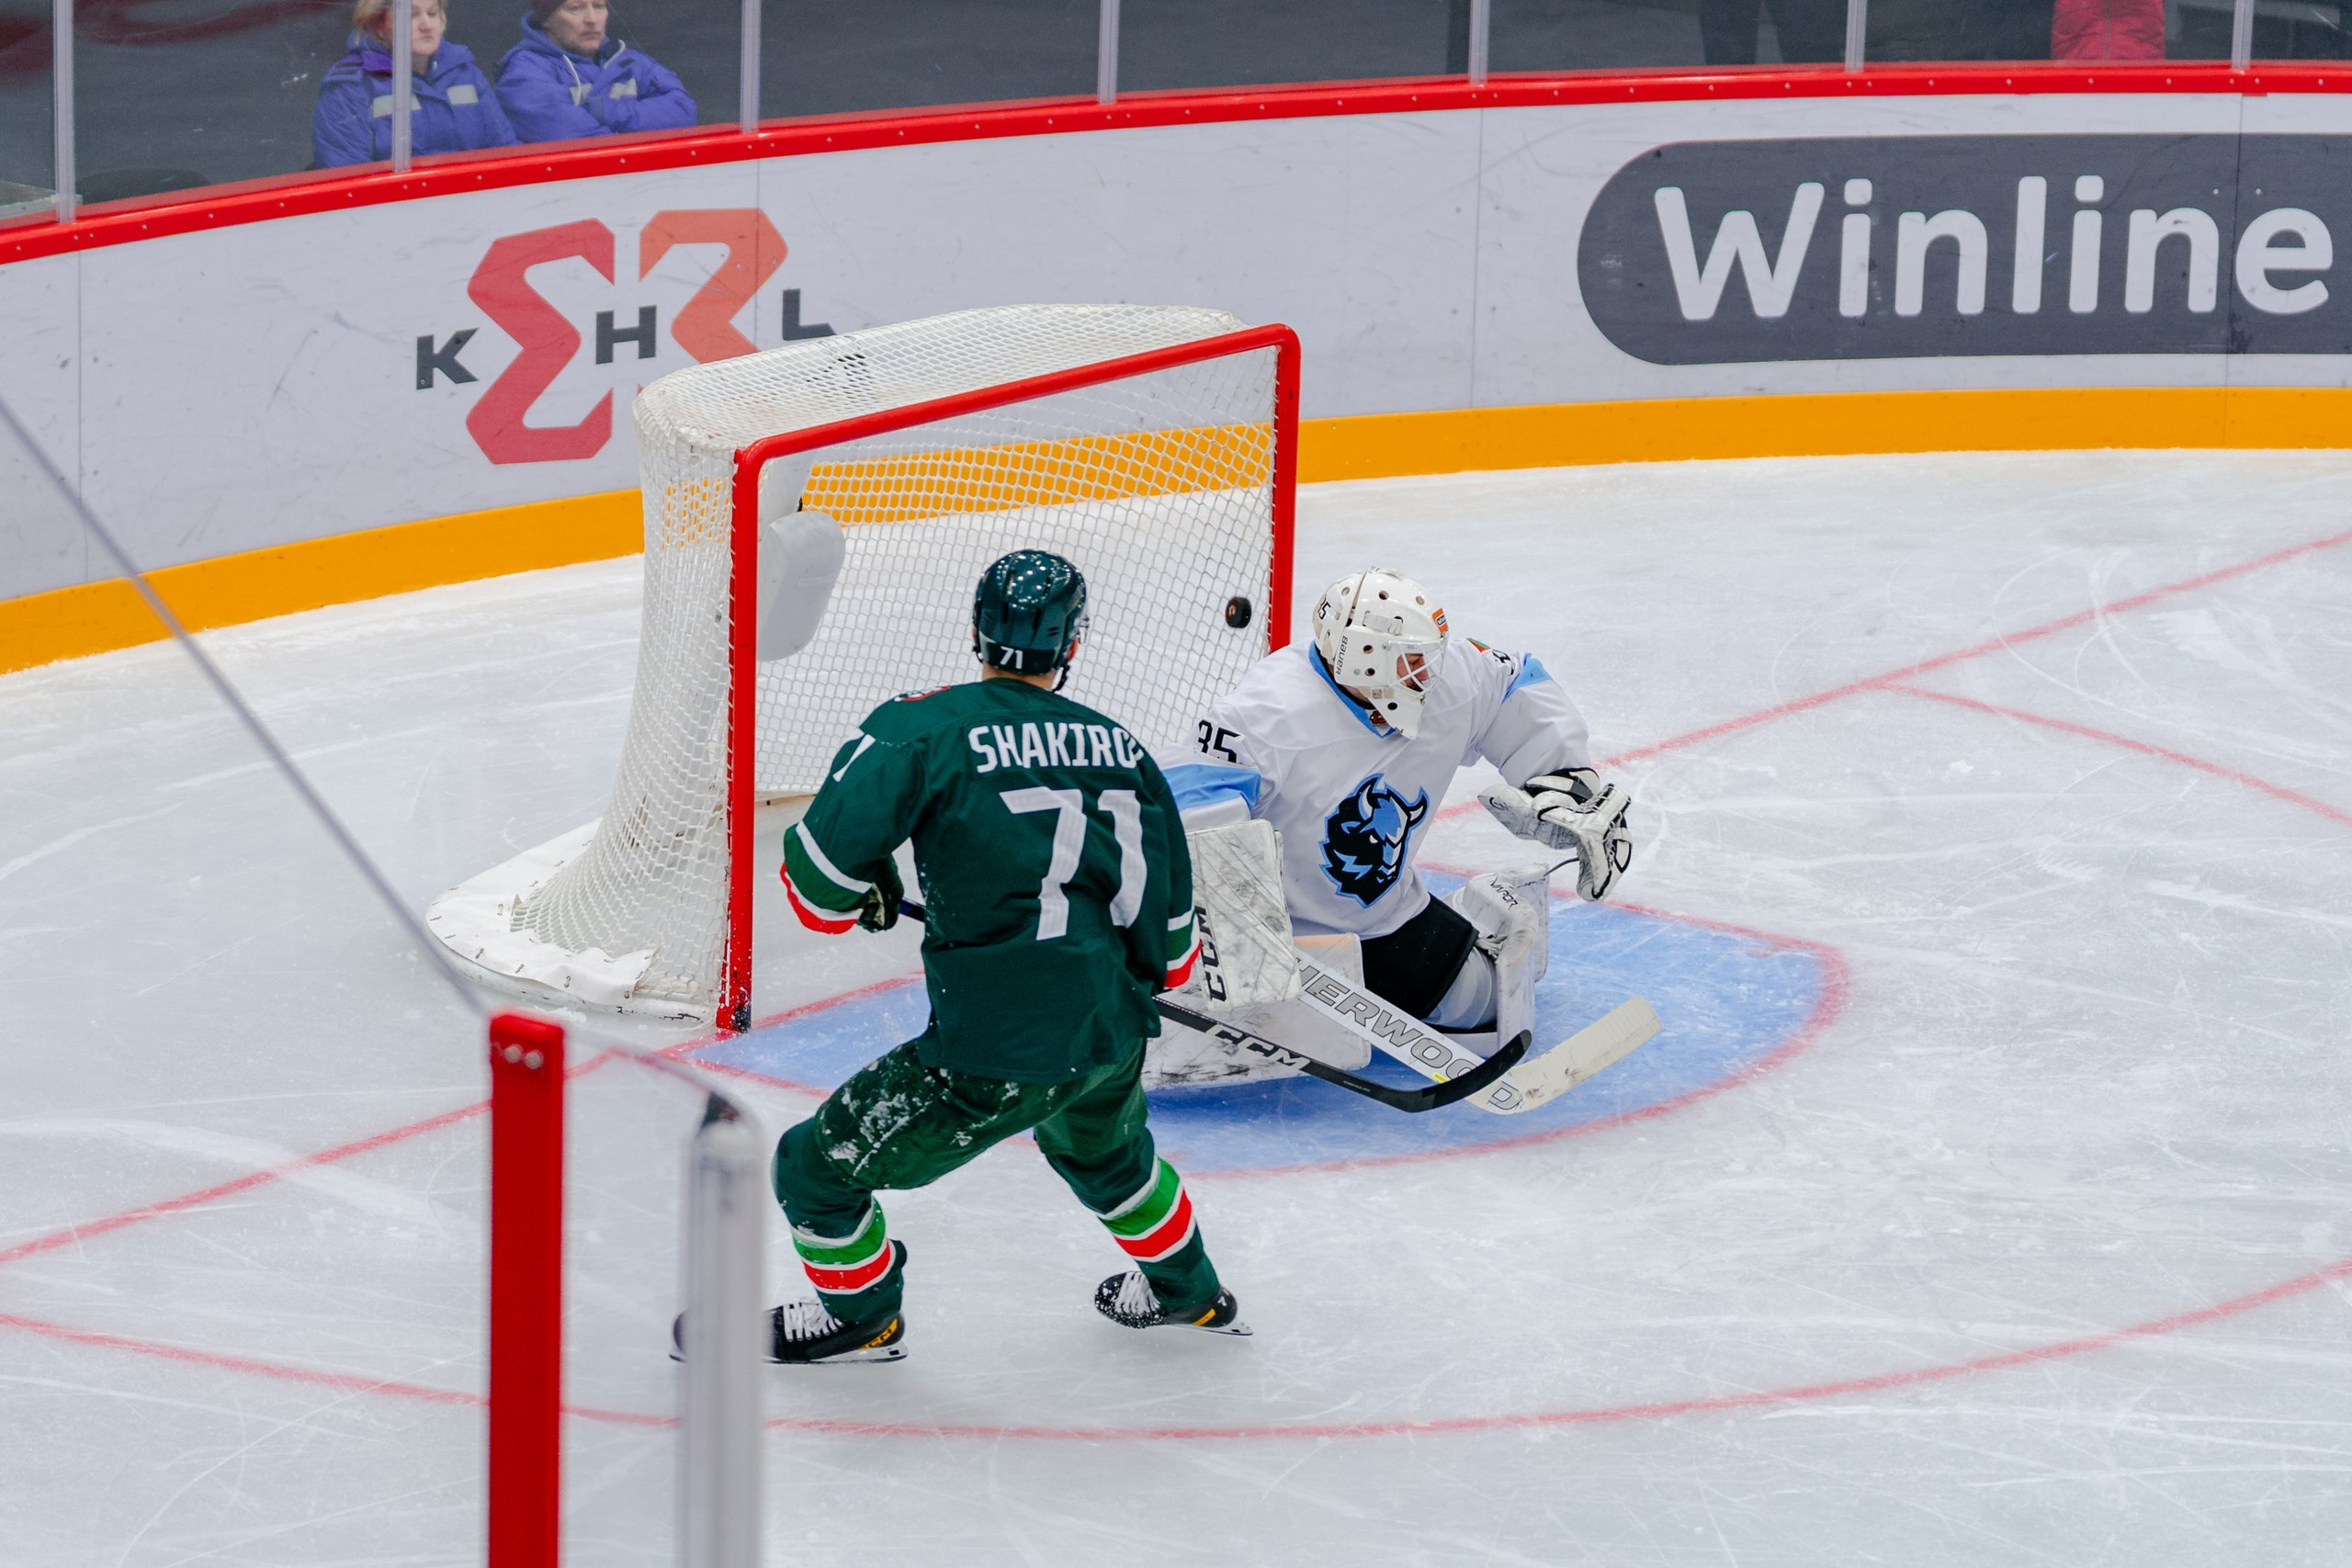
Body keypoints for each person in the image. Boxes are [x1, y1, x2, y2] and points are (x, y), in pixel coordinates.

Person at [749, 549, 1244, 1363]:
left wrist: (871, 884)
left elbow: (816, 894)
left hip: (991, 1056)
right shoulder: (1121, 749)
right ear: (1073, 643)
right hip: (1110, 1032)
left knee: (814, 1169)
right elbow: (1178, 958)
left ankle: (860, 1316)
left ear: (976, 626)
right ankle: (1192, 1293)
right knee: (1110, 1154)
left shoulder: (919, 728)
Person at [1160, 569, 1634, 1071]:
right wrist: (1237, 929)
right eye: (1410, 662)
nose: (1428, 673)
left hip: (1383, 917)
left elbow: (1513, 682)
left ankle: (1475, 912)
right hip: (1293, 942)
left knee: (1488, 1010)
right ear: (1362, 656)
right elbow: (1186, 801)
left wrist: (1564, 778)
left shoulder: (1450, 678)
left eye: (1427, 656)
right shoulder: (1271, 713)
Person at [311, 0, 518, 169]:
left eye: (433, 13)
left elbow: (506, 153)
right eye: (411, 15)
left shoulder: (465, 73)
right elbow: (350, 182)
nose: (426, 25)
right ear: (378, 26)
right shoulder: (349, 89)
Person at [496, 0, 696, 145]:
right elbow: (580, 142)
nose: (591, 19)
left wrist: (604, 110)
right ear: (545, 20)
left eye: (599, 6)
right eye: (575, 8)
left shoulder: (629, 61)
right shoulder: (523, 73)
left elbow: (684, 112)